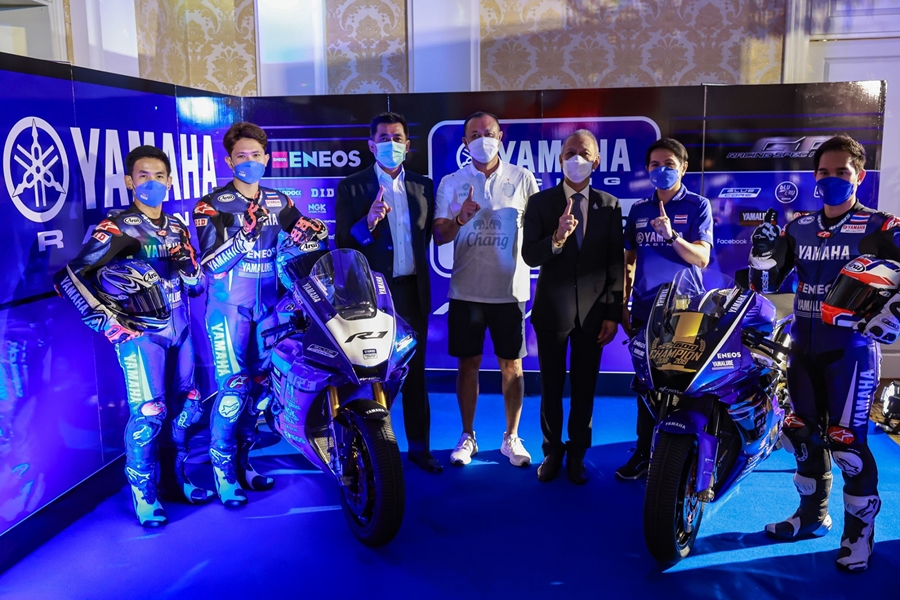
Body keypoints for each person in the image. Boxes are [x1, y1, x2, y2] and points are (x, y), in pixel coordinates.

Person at [749, 134, 895, 572]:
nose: (831, 179)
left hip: (851, 353)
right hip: (802, 348)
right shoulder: (799, 227)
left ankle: (858, 536)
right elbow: (766, 285)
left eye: (841, 172)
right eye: (824, 172)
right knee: (802, 434)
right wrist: (761, 256)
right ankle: (812, 516)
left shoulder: (880, 227)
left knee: (847, 444)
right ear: (814, 176)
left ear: (859, 176)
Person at [54, 145, 211, 527]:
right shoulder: (117, 227)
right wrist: (108, 323)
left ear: (169, 181)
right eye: (144, 176)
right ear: (129, 181)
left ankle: (176, 481)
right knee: (149, 413)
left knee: (187, 407)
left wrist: (189, 267)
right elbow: (68, 278)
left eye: (159, 176)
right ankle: (144, 494)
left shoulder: (177, 227)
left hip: (180, 327)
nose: (152, 183)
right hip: (143, 336)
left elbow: (195, 287)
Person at [193, 122, 327, 507]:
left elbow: (307, 232)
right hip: (228, 309)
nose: (249, 161)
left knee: (262, 386)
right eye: (241, 156)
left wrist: (313, 230)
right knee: (233, 389)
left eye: (255, 155)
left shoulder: (278, 201)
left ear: (266, 159)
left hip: (269, 307)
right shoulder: (211, 205)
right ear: (228, 161)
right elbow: (210, 264)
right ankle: (224, 474)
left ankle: (244, 462)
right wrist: (244, 238)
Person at [335, 112, 441, 473]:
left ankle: (420, 449)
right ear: (371, 145)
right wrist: (367, 223)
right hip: (371, 300)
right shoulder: (351, 187)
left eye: (397, 138)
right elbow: (342, 243)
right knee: (371, 377)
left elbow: (426, 237)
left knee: (415, 374)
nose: (390, 144)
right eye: (383, 138)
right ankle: (370, 453)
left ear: (408, 146)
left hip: (411, 292)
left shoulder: (423, 186)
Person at [433, 111, 539, 468]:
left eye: (488, 132)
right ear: (465, 142)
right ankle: (467, 435)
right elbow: (439, 234)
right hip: (466, 290)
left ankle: (512, 437)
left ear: (500, 136)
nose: (483, 139)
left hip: (510, 290)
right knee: (468, 364)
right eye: (475, 135)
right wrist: (460, 218)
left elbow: (538, 228)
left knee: (513, 366)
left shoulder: (522, 178)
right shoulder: (452, 181)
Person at [522, 130, 623, 484]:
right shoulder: (540, 203)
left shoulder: (609, 205)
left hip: (594, 315)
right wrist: (557, 238)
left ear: (596, 161)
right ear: (560, 158)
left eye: (584, 153)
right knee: (550, 387)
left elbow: (615, 264)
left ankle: (578, 453)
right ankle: (552, 452)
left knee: (584, 388)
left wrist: (612, 314)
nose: (576, 158)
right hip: (552, 312)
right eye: (569, 153)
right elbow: (529, 255)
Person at [616, 138, 713, 480]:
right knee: (646, 384)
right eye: (655, 165)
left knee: (681, 384)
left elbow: (702, 258)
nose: (661, 170)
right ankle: (644, 452)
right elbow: (629, 260)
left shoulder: (698, 205)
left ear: (683, 168)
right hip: (645, 309)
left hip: (685, 310)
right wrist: (623, 303)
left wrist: (672, 236)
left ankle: (680, 456)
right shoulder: (639, 209)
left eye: (669, 164)